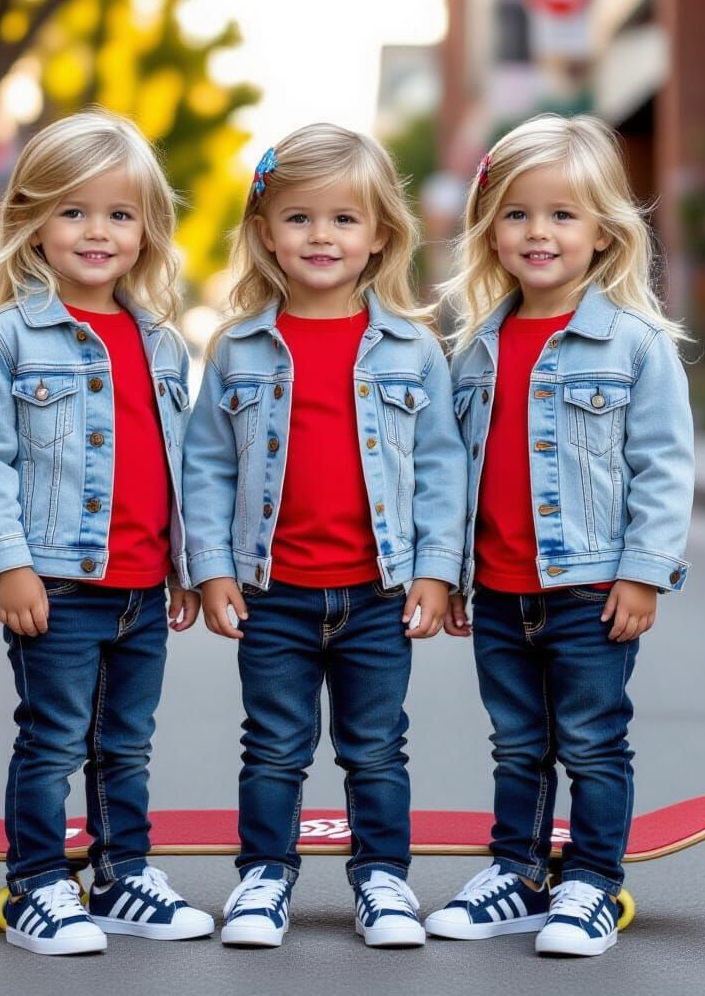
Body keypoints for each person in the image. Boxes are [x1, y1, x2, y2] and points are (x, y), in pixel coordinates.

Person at [182, 123, 466, 948]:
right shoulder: (237, 349)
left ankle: (382, 880)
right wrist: (210, 570)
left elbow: (444, 466)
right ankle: (263, 879)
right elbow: (207, 466)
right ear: (265, 231)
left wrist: (438, 570)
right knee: (272, 746)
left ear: (380, 234)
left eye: (345, 219)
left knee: (376, 747)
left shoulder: (415, 348)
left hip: (378, 593)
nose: (322, 236)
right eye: (300, 217)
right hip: (273, 593)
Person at [425, 113, 694, 957]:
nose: (538, 232)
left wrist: (644, 572)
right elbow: (455, 472)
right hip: (503, 589)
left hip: (590, 586)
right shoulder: (476, 349)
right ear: (489, 229)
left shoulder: (635, 345)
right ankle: (517, 874)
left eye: (563, 215)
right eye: (517, 213)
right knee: (517, 742)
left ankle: (591, 883)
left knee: (590, 738)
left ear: (605, 232)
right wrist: (455, 574)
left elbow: (664, 466)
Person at [0, 110, 213, 955]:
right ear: (30, 220)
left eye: (120, 214)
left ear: (147, 231)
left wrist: (185, 566)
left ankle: (122, 875)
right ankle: (35, 884)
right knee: (54, 738)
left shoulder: (162, 343)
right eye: (73, 210)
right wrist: (8, 565)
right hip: (56, 582)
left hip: (140, 583)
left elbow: (178, 465)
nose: (97, 231)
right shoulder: (5, 340)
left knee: (126, 744)